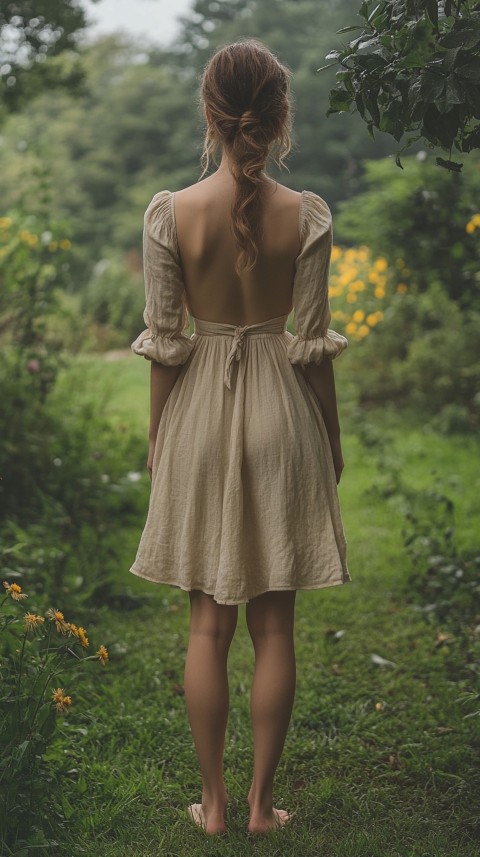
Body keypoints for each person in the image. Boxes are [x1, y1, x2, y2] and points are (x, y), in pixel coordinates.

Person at [129, 38, 351, 836]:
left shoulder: (172, 212)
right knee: (275, 626)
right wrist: (330, 437)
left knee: (207, 625)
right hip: (281, 412)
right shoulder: (308, 212)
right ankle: (263, 806)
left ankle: (215, 805)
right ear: (279, 114)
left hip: (200, 412)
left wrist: (160, 440)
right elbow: (313, 345)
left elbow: (165, 340)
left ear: (211, 114)